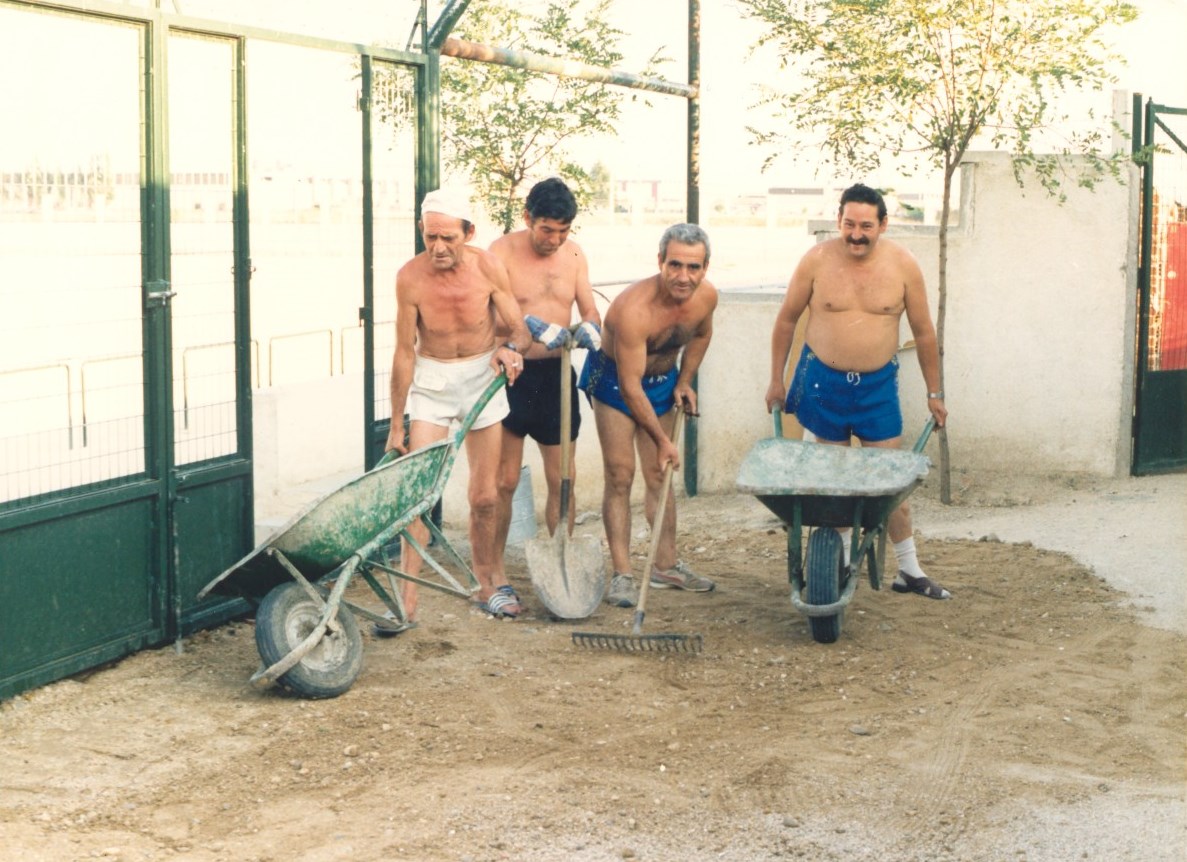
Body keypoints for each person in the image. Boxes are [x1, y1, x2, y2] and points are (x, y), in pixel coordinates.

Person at [764, 183, 951, 599]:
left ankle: (909, 570)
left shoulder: (904, 265)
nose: (856, 234)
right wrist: (776, 379)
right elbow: (786, 320)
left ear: (883, 224)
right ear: (838, 221)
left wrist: (934, 393)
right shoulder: (816, 260)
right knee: (834, 486)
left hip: (876, 389)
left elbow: (923, 333)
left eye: (866, 226)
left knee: (889, 481)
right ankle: (840, 563)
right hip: (823, 385)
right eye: (849, 224)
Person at [382, 187, 532, 630]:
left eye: (448, 237)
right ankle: (406, 603)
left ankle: (488, 585)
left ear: (469, 232)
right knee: (419, 497)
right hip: (432, 384)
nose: (438, 247)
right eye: (430, 237)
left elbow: (520, 330)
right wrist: (396, 424)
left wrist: (510, 350)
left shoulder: (488, 267)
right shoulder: (409, 278)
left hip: (482, 377)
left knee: (484, 497)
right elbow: (404, 352)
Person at [579, 223, 719, 608]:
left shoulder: (706, 297)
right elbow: (630, 387)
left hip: (662, 381)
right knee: (620, 474)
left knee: (660, 474)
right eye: (675, 265)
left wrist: (685, 381)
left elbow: (702, 335)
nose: (683, 276)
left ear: (705, 267)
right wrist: (662, 440)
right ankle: (623, 574)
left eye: (693, 267)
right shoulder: (633, 310)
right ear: (660, 261)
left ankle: (666, 566)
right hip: (616, 382)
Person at [488, 178, 602, 584]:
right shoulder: (501, 252)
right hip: (513, 376)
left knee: (562, 479)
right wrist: (525, 331)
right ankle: (495, 571)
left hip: (556, 377)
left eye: (562, 231)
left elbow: (590, 310)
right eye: (546, 230)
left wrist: (589, 329)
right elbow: (487, 318)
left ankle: (560, 566)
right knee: (504, 481)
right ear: (527, 218)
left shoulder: (574, 255)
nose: (554, 240)